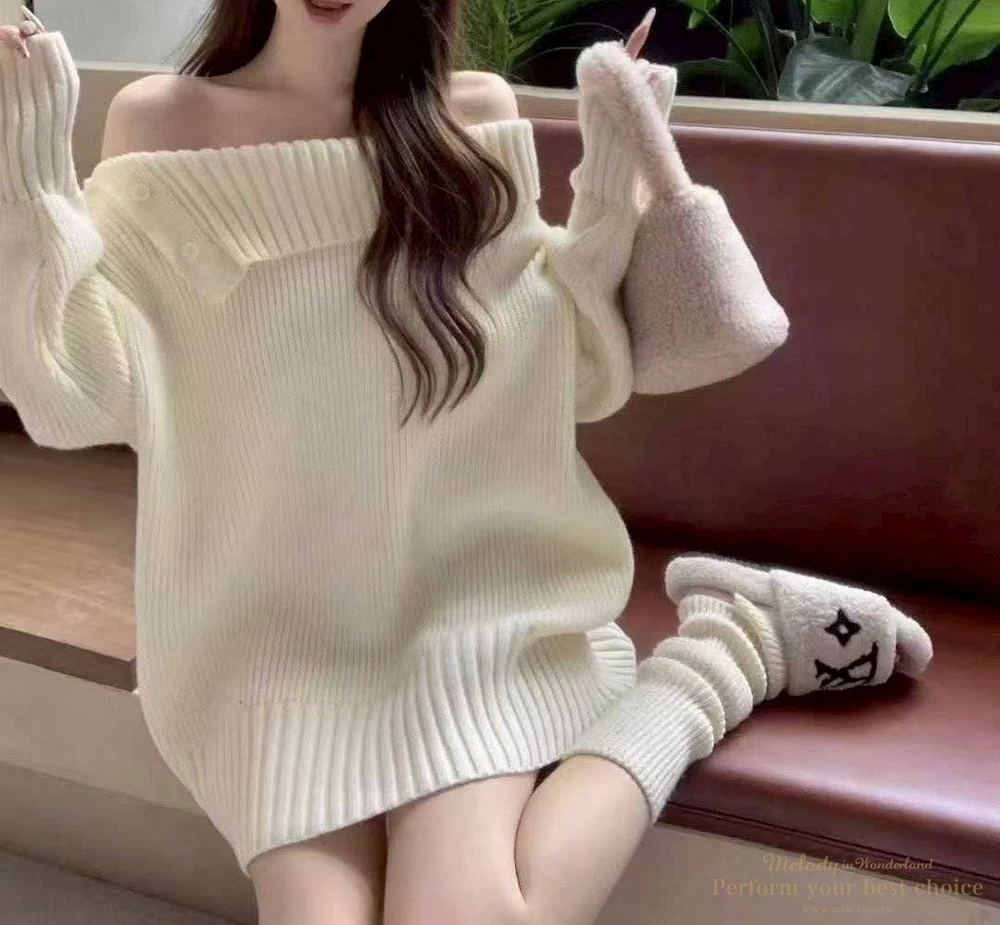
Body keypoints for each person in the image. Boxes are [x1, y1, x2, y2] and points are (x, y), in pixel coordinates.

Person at [0, 3, 931, 924]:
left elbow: (569, 372)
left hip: (469, 611)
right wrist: (29, 174)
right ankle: (734, 642)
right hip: (270, 640)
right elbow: (75, 401)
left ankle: (728, 649)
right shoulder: (163, 125)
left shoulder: (469, 116)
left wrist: (610, 185)